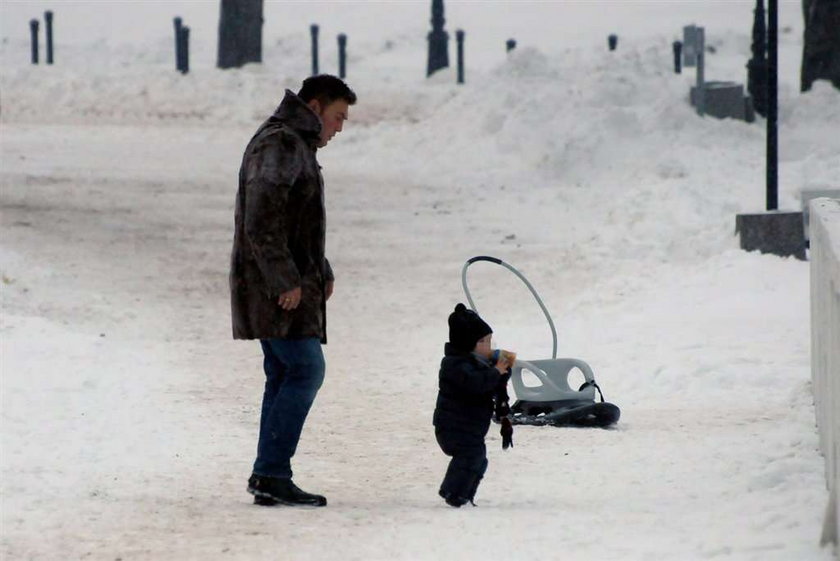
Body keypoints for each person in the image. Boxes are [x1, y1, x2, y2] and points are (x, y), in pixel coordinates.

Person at [229, 75, 356, 507]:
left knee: (285, 373)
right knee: (304, 370)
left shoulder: (293, 143)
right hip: (275, 287)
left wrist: (319, 268)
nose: (340, 127)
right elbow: (263, 220)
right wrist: (286, 279)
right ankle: (271, 473)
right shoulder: (282, 144)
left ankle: (268, 474)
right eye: (338, 117)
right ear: (316, 107)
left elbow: (295, 220)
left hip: (283, 282)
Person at [433, 303, 515, 507]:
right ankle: (454, 492)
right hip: (453, 428)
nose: (489, 346)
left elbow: (490, 384)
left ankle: (465, 494)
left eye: (489, 341)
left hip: (470, 428)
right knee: (470, 457)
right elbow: (477, 384)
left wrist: (503, 372)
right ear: (468, 344)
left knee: (478, 459)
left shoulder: (477, 364)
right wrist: (496, 371)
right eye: (483, 342)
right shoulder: (455, 365)